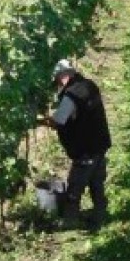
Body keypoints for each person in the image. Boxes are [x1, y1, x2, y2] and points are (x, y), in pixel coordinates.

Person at [44, 59, 112, 229]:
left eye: (57, 80)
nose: (58, 84)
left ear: (62, 76)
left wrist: (43, 121)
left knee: (75, 186)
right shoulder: (89, 85)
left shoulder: (71, 95)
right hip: (99, 143)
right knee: (97, 182)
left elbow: (59, 121)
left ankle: (70, 221)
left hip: (85, 149)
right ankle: (100, 214)